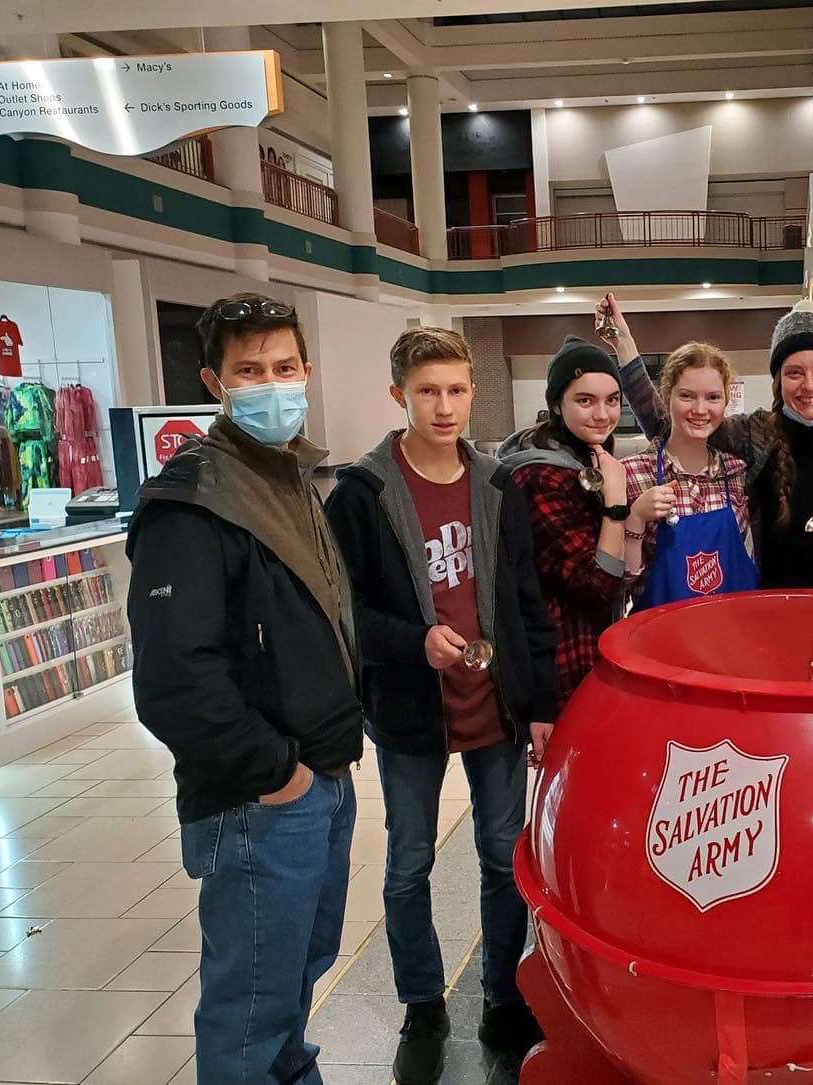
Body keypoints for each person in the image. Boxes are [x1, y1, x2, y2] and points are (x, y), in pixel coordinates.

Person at [127, 293, 362, 1085]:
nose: (272, 385)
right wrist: (276, 774)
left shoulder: (288, 474)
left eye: (285, 367)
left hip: (321, 781)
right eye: (249, 371)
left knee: (292, 988)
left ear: (307, 368)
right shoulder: (193, 499)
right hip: (263, 799)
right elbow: (172, 680)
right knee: (251, 1015)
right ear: (214, 382)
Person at [323, 328, 557, 1083]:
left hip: (495, 702)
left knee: (501, 855)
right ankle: (422, 999)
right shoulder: (362, 493)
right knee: (408, 860)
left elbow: (525, 597)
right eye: (429, 390)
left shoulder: (495, 483)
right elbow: (343, 608)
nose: (445, 404)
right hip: (411, 706)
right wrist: (410, 640)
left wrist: (541, 698)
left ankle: (499, 994)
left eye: (457, 389)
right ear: (400, 395)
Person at [599, 293, 813, 588]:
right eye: (794, 373)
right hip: (777, 612)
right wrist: (625, 347)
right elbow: (673, 427)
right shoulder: (755, 434)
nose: (810, 385)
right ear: (777, 378)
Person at [497, 336, 628, 709]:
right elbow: (598, 585)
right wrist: (617, 505)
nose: (602, 414)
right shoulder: (540, 476)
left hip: (588, 650)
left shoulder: (587, 458)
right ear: (556, 404)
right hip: (559, 666)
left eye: (612, 400)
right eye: (585, 400)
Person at [620, 341, 757, 609]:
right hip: (660, 639)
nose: (700, 409)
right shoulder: (632, 473)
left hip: (730, 634)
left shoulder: (738, 473)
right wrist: (635, 518)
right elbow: (619, 586)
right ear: (666, 396)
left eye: (713, 397)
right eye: (686, 396)